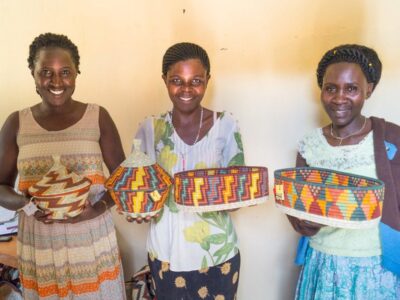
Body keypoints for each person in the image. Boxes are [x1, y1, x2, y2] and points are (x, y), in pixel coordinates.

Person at [0, 32, 126, 299]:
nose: (56, 80)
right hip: (40, 246)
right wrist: (26, 204)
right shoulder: (16, 123)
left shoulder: (97, 117)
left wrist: (98, 209)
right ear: (33, 73)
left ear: (77, 73)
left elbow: (123, 179)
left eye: (65, 71)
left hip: (92, 241)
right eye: (46, 71)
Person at [288, 44, 400, 299]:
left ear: (368, 90)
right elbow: (297, 207)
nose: (339, 98)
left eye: (351, 88)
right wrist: (302, 221)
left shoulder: (392, 140)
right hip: (321, 263)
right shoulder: (310, 146)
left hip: (374, 270)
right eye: (331, 88)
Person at [133, 42, 244, 299]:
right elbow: (139, 189)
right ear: (164, 80)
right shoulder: (149, 129)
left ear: (207, 80)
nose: (186, 89)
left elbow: (238, 193)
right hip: (166, 252)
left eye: (196, 80)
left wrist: (230, 195)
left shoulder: (226, 126)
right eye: (176, 80)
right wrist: (137, 209)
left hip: (218, 253)